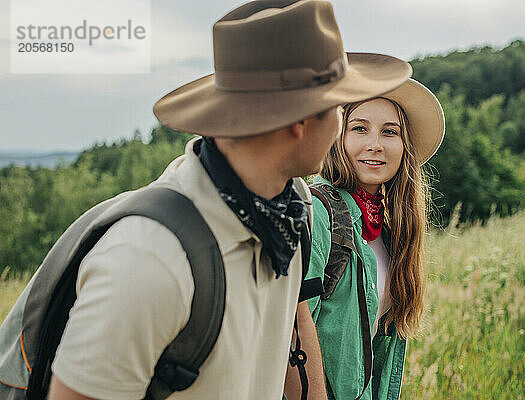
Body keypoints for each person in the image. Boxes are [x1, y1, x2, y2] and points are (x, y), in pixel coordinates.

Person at [43, 1, 414, 399]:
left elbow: (296, 334)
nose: (341, 124)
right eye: (339, 106)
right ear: (299, 120)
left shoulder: (293, 211)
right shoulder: (150, 259)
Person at [306, 78, 445, 400]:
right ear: (336, 137)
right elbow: (290, 337)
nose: (375, 144)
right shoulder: (316, 213)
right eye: (359, 129)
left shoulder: (389, 228)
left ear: (403, 145)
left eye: (389, 132)